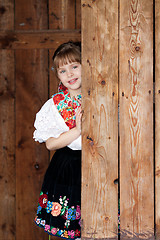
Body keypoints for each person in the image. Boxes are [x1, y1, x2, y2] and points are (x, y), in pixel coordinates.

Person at [33, 42, 82, 239]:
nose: (69, 74)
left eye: (74, 67)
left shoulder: (103, 95)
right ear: (58, 75)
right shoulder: (54, 105)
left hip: (99, 160)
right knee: (73, 227)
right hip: (69, 167)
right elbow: (51, 144)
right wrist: (78, 130)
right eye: (63, 71)